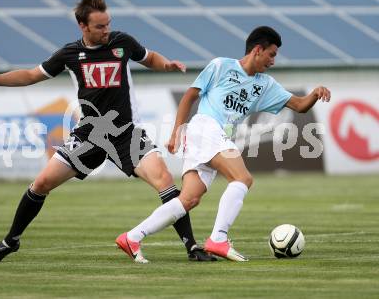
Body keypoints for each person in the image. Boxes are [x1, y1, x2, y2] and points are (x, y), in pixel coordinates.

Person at [0, 0, 215, 263]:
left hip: (126, 133)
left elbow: (150, 57)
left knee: (165, 180)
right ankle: (10, 241)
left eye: (107, 24)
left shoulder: (122, 43)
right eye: (99, 26)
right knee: (41, 183)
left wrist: (166, 64)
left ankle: (192, 248)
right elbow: (31, 75)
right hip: (89, 135)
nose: (106, 30)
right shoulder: (69, 54)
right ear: (82, 26)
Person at [116, 26, 331, 263]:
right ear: (257, 50)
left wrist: (315, 93)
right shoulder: (221, 66)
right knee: (243, 179)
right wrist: (177, 131)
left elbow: (299, 105)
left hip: (215, 137)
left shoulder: (265, 85)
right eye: (271, 54)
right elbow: (190, 95)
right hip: (205, 128)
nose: (273, 61)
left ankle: (132, 237)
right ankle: (218, 238)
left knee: (189, 199)